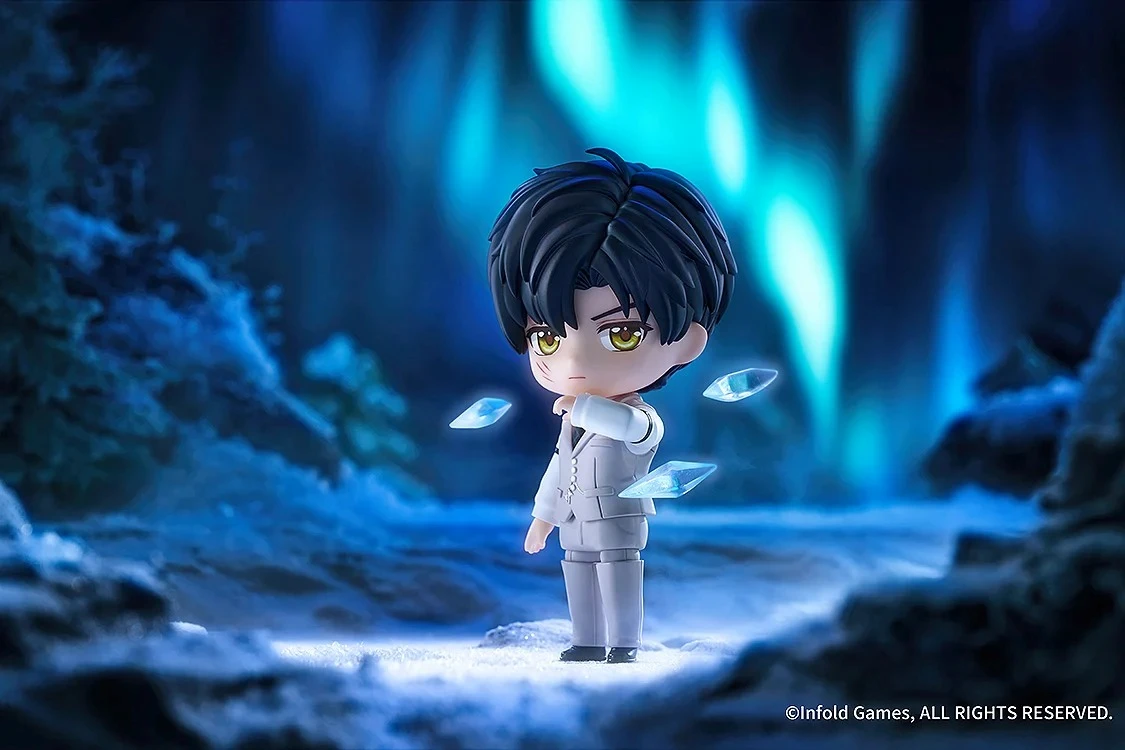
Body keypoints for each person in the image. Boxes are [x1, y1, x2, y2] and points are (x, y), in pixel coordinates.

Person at [486, 148, 737, 663]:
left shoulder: (639, 418)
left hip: (620, 519)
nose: (575, 363)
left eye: (621, 334)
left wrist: (582, 409)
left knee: (620, 577)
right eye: (547, 337)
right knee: (577, 573)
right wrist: (542, 518)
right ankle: (586, 641)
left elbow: (631, 429)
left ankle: (623, 645)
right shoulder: (570, 417)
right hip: (575, 519)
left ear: (687, 342)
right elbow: (560, 469)